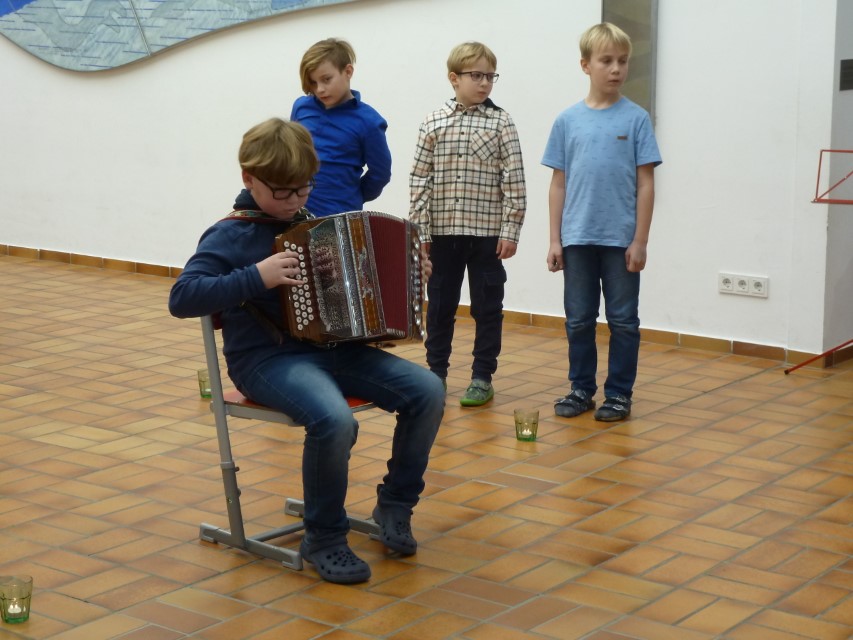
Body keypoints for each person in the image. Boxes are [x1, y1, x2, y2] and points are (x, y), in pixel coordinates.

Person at [169, 118, 444, 584]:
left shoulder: (312, 225)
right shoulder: (228, 234)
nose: (295, 201)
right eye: (283, 192)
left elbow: (356, 292)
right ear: (249, 179)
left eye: (304, 189)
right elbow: (182, 298)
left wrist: (412, 273)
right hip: (266, 361)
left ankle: (395, 505)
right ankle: (324, 536)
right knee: (334, 420)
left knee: (428, 390)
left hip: (335, 351)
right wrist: (257, 276)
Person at [542, 23, 662, 422]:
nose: (616, 69)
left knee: (623, 321)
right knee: (579, 320)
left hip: (620, 240)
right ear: (585, 65)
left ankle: (619, 394)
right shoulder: (567, 121)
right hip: (577, 238)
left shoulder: (637, 119)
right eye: (606, 61)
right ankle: (581, 389)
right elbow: (558, 184)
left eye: (622, 61)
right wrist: (555, 239)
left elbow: (646, 184)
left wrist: (640, 240)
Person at [409, 41, 526, 407]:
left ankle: (482, 377)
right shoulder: (432, 122)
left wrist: (510, 230)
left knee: (487, 307)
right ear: (454, 78)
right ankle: (436, 374)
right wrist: (419, 233)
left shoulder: (501, 122)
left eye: (490, 76)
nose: (485, 83)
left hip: (487, 237)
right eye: (476, 75)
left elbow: (515, 180)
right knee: (440, 307)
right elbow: (419, 181)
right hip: (442, 236)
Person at [290, 37, 392, 217]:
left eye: (326, 79)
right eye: (313, 82)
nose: (320, 89)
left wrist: (353, 196)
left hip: (340, 215)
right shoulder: (301, 107)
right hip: (294, 212)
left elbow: (381, 174)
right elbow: (289, 154)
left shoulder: (369, 122)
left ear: (348, 71)